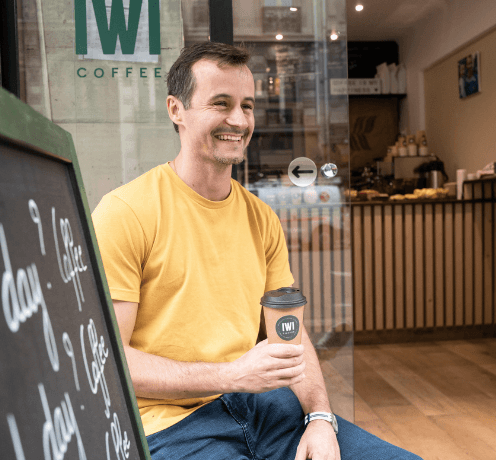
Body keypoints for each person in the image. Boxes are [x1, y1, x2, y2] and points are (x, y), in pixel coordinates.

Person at [92, 41, 422, 460]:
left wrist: (321, 417)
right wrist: (232, 374)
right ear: (176, 110)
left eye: (246, 106)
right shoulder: (126, 213)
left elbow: (288, 332)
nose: (238, 120)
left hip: (265, 410)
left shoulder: (261, 217)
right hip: (172, 425)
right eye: (221, 103)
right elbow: (109, 363)